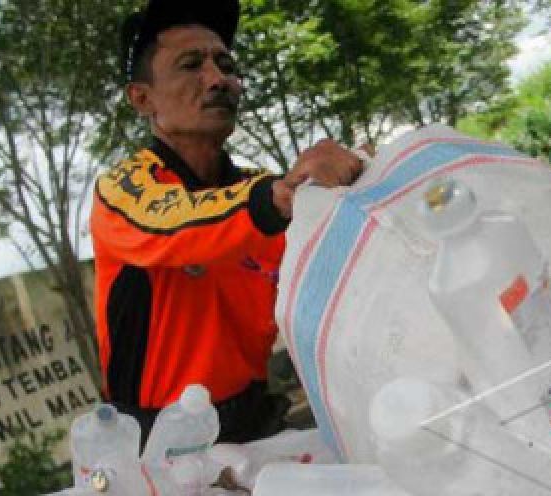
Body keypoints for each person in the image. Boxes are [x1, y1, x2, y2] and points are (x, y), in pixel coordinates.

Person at [91, 0, 364, 444]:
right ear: (142, 98)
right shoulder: (126, 189)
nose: (219, 79)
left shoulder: (264, 192)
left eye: (225, 64)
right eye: (190, 65)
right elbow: (172, 224)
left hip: (257, 429)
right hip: (158, 452)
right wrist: (278, 196)